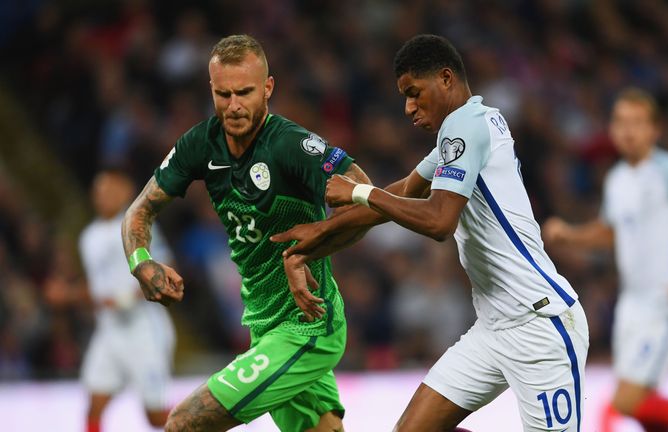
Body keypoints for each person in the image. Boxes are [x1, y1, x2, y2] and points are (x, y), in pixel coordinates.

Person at [273, 34, 589, 432]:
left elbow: (439, 221)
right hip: (493, 329)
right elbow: (402, 193)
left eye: (413, 93)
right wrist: (320, 234)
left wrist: (358, 190)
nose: (408, 107)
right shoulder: (462, 130)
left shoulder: (464, 126)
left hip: (541, 325)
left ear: (445, 78)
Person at [121, 34, 371, 432]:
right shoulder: (200, 144)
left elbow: (365, 199)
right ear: (211, 90)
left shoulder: (290, 144)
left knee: (183, 424)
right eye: (224, 94)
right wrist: (141, 262)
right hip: (264, 324)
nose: (234, 105)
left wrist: (308, 246)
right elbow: (138, 212)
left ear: (268, 88)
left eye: (245, 92)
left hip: (305, 326)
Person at [541, 88, 668, 431]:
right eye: (620, 122)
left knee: (627, 401)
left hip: (665, 301)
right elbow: (611, 233)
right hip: (631, 304)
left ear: (654, 130)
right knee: (645, 406)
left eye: (637, 123)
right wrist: (570, 234)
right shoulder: (617, 179)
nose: (628, 131)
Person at [79, 169, 175, 432]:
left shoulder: (138, 224)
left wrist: (125, 299)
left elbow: (165, 266)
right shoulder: (88, 237)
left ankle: (202, 423)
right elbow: (97, 286)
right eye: (98, 191)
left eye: (110, 190)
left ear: (125, 192)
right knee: (94, 404)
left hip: (144, 330)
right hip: (109, 332)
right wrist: (68, 295)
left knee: (155, 417)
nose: (103, 196)